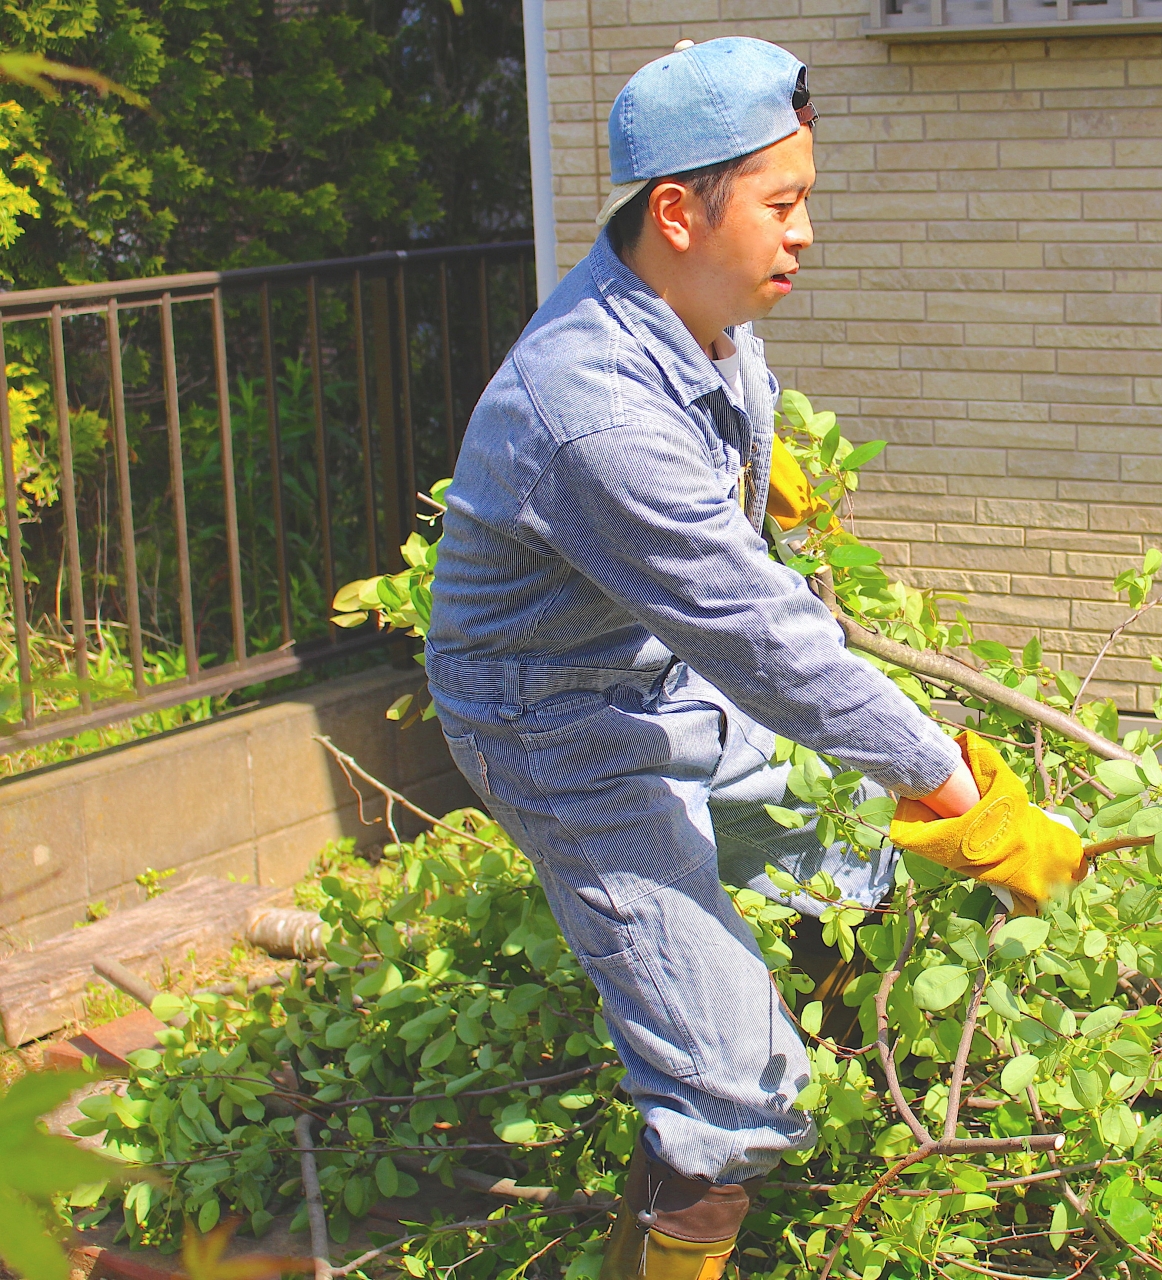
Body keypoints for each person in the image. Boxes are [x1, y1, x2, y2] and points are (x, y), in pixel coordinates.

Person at [423, 36, 1080, 1280]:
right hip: (554, 725)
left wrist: (748, 481)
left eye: (806, 201)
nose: (806, 234)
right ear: (678, 212)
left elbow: (731, 505)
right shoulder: (596, 410)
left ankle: (770, 1125)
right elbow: (768, 643)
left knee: (847, 862)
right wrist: (955, 787)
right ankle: (721, 1128)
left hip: (650, 667)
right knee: (734, 1090)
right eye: (782, 206)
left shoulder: (692, 306)